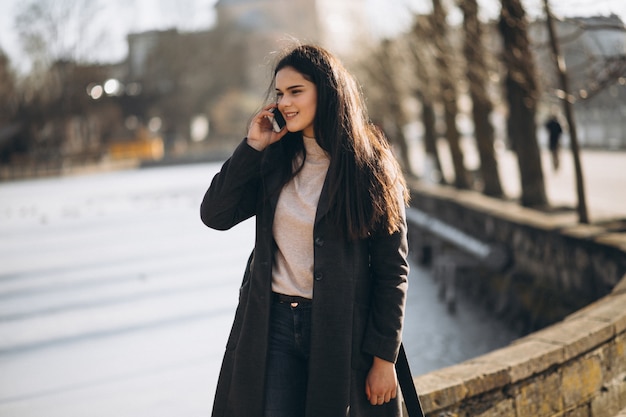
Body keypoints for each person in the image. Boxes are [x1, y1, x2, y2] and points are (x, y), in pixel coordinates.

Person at [200, 44, 410, 417]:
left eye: (296, 91)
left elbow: (392, 270)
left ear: (327, 91)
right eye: (280, 93)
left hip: (339, 327)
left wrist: (384, 359)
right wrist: (251, 147)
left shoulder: (369, 166)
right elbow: (215, 214)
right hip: (273, 324)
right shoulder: (274, 159)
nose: (284, 103)